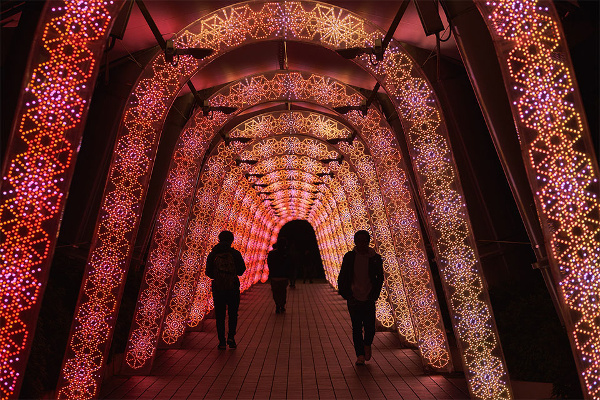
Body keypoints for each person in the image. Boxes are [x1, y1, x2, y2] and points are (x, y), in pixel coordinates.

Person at [337, 230, 384, 365]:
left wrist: (375, 295)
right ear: (355, 242)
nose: (362, 244)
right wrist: (346, 294)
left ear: (368, 242)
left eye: (365, 241)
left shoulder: (374, 258)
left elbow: (380, 278)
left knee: (370, 327)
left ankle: (367, 344)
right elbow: (343, 276)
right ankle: (360, 355)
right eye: (359, 241)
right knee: (356, 327)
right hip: (354, 297)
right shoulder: (350, 257)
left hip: (369, 297)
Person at [205, 230, 246, 349]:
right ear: (231, 240)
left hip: (218, 288)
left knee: (220, 315)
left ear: (219, 239)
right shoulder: (235, 254)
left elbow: (209, 272)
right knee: (233, 313)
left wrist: (219, 276)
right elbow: (241, 270)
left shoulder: (213, 254)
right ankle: (231, 338)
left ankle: (221, 341)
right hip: (232, 287)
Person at [267, 238, 290, 314]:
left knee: (276, 292)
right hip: (283, 276)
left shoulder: (271, 254)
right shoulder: (286, 254)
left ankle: (277, 305)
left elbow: (269, 264)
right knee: (283, 291)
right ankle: (282, 305)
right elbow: (289, 265)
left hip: (274, 276)